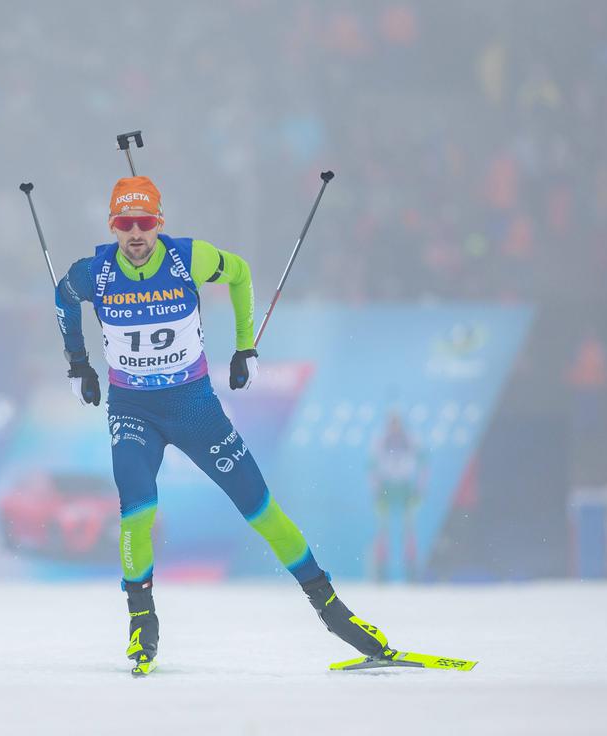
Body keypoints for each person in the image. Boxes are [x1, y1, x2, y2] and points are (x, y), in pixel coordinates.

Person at [53, 176, 394, 673]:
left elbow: (239, 273)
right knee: (137, 513)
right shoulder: (95, 272)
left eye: (145, 222)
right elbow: (64, 297)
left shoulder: (185, 257)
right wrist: (79, 363)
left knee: (260, 508)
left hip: (195, 407)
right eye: (125, 224)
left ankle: (332, 609)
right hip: (133, 411)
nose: (136, 234)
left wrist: (245, 345)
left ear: (159, 223)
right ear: (113, 226)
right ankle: (141, 623)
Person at [368, 411, 427, 582]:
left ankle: (411, 571)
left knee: (408, 529)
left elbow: (423, 465)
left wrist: (419, 490)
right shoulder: (380, 440)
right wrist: (376, 491)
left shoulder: (410, 439)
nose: (394, 427)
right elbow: (372, 467)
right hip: (386, 489)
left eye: (397, 423)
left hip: (405, 489)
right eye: (392, 424)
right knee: (383, 530)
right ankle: (381, 571)